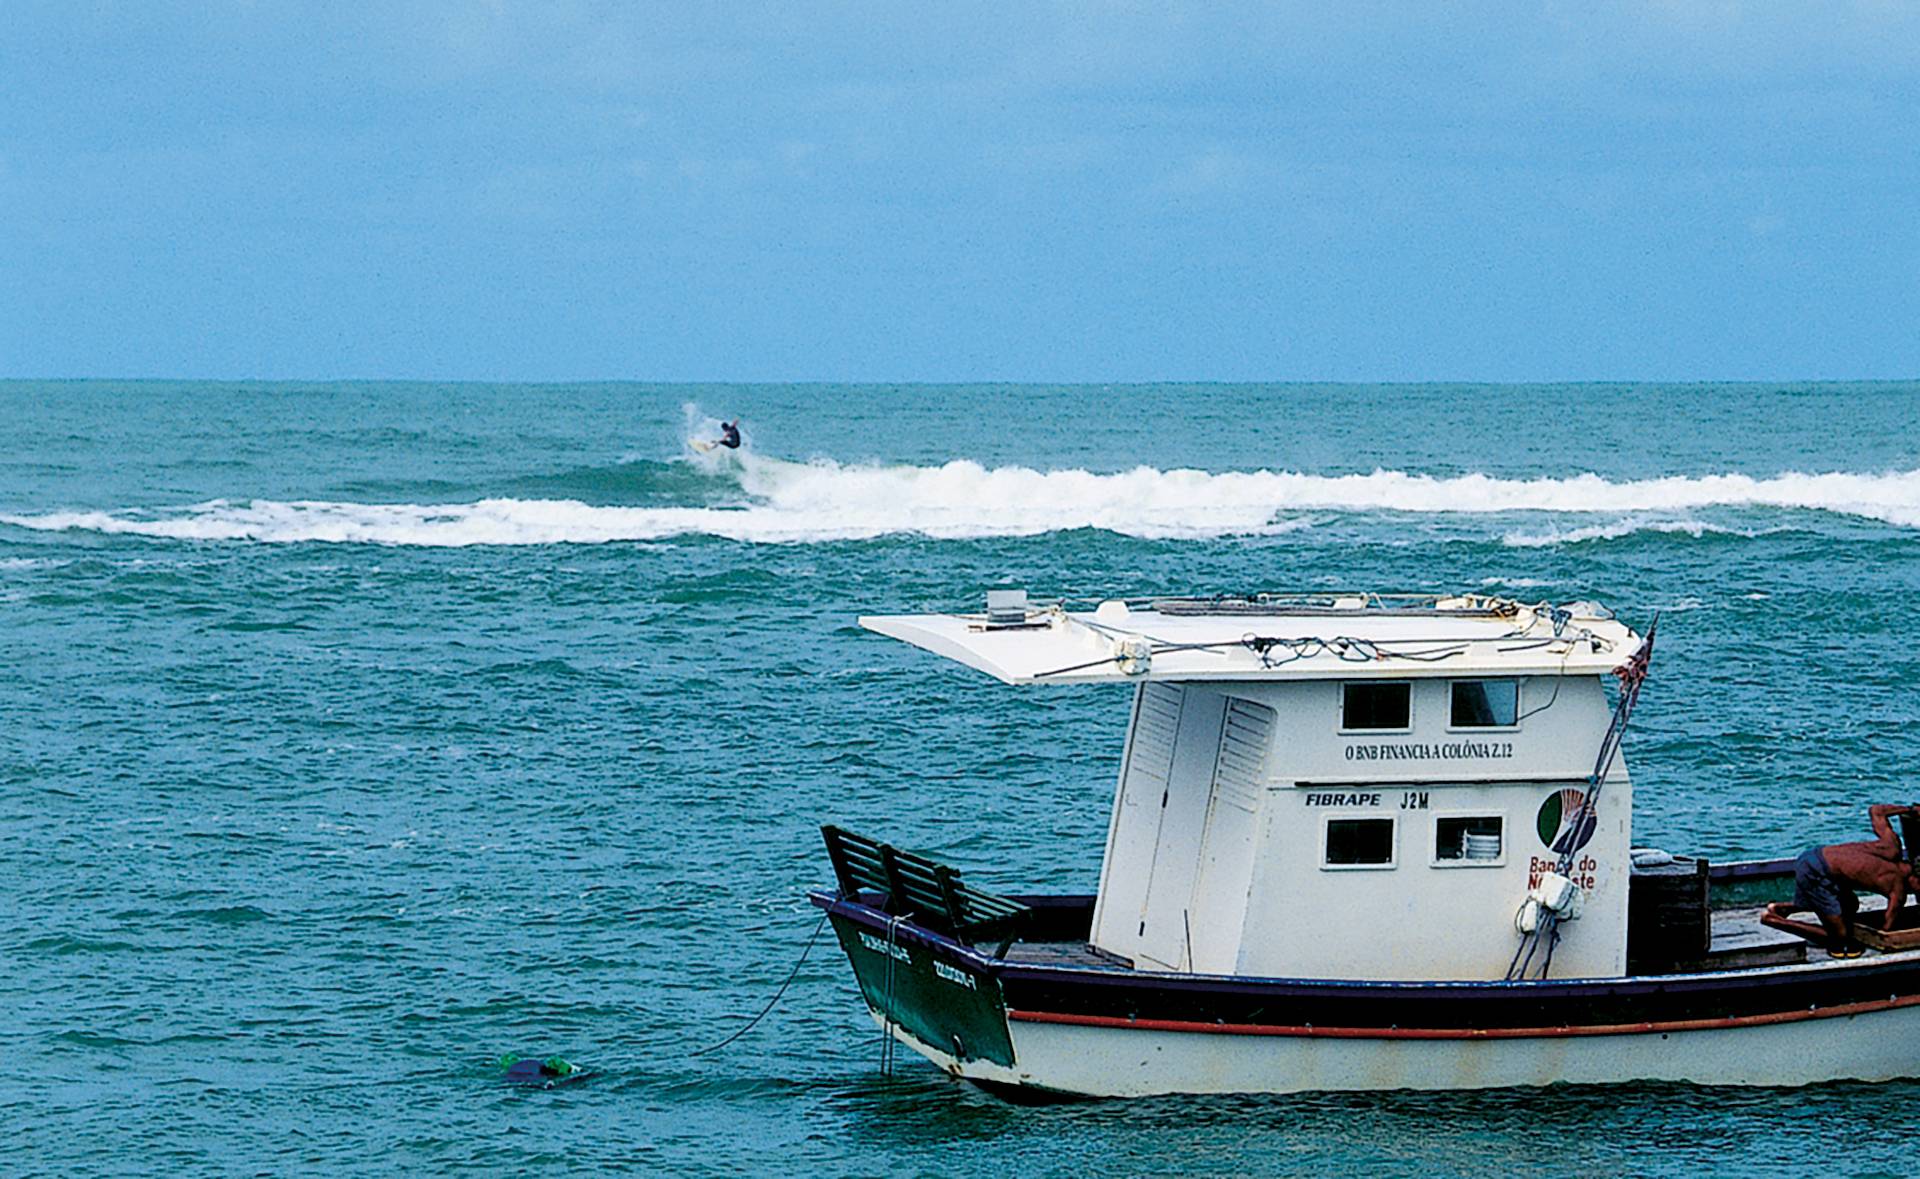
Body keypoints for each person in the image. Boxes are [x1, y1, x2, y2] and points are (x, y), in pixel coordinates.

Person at [1761, 803, 1920, 957]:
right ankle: (1772, 920)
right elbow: (1886, 931)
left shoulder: (1891, 846)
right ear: (1916, 878)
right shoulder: (1897, 889)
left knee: (1851, 906)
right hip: (1816, 873)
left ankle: (1786, 908)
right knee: (1840, 936)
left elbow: (1877, 810)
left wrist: (1911, 810)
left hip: (1814, 857)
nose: (1915, 891)